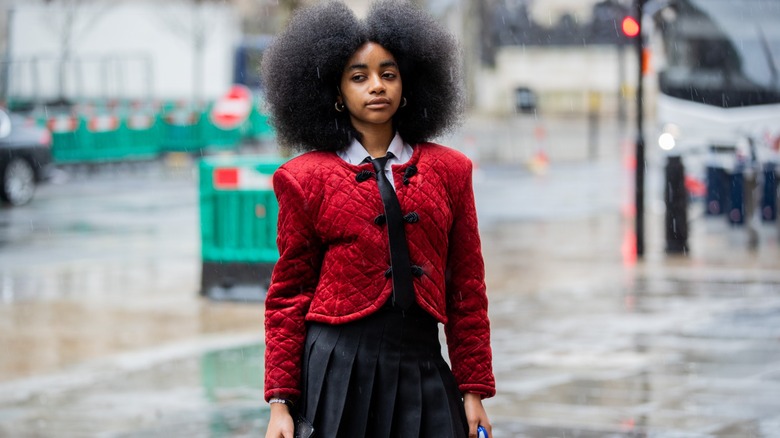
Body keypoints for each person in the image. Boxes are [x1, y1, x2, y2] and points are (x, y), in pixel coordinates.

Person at [262, 1, 495, 437]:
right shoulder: (302, 179)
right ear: (335, 93)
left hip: (423, 362)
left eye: (388, 74)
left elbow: (467, 288)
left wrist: (473, 390)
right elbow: (288, 296)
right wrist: (281, 403)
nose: (376, 86)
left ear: (408, 85)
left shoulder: (452, 171)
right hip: (337, 369)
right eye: (359, 76)